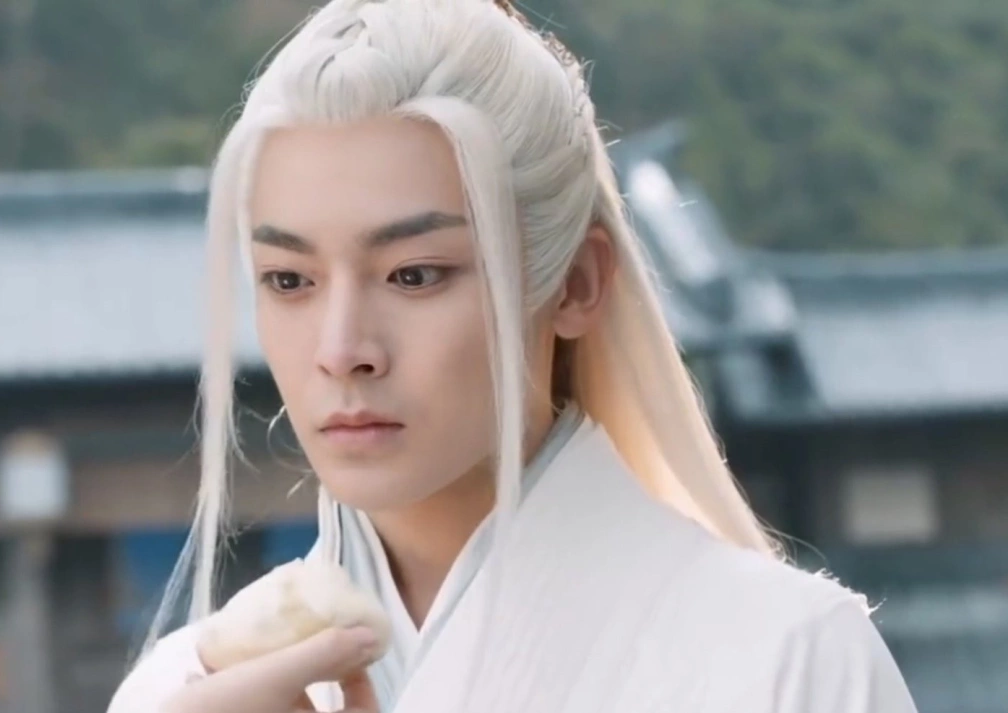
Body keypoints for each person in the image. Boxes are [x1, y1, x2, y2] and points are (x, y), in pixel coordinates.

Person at [108, 1, 919, 711]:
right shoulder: (181, 690)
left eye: (415, 274)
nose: (342, 350)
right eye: (289, 280)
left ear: (576, 283)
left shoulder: (790, 659)